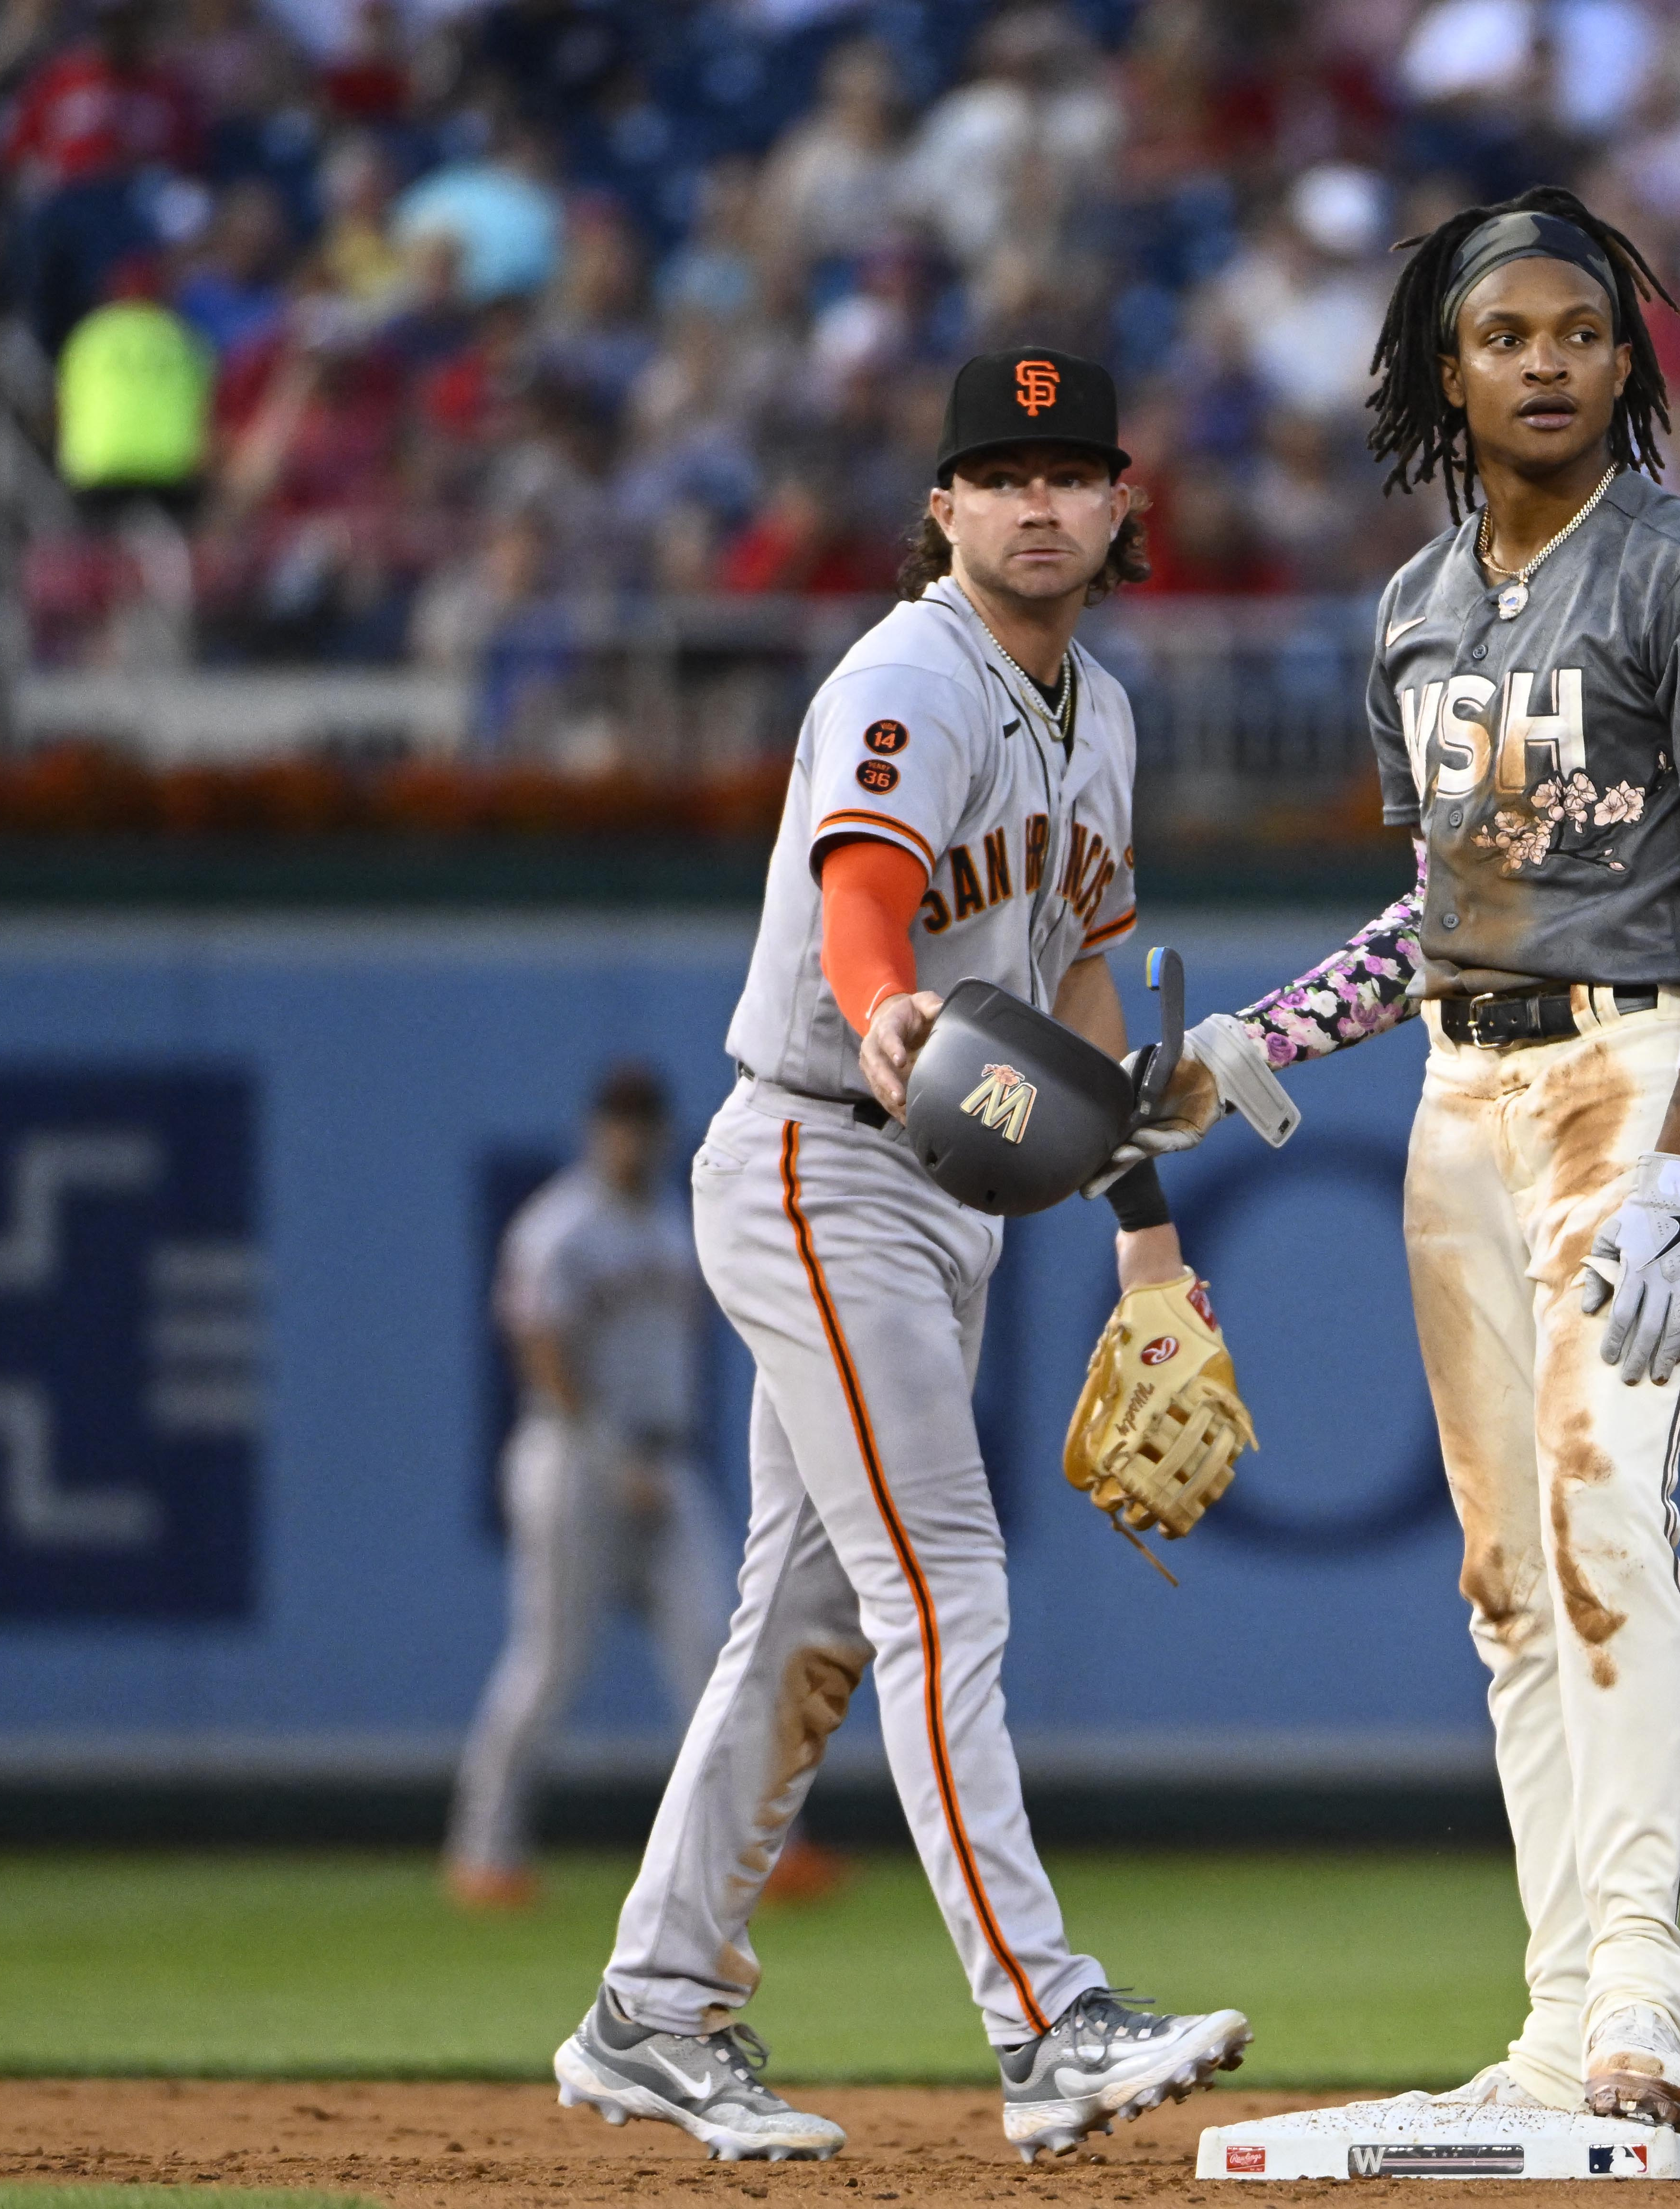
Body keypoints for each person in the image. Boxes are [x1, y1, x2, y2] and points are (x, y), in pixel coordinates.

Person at [1117, 186, 1680, 2133]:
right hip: (1460, 1093)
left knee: (1606, 1511)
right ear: (1449, 367)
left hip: (1633, 1071)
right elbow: (1449, 906)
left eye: (1579, 334)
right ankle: (1551, 2020)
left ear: (1626, 362)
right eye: (1505, 336)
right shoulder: (1419, 610)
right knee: (1507, 1578)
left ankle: (1642, 2017)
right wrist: (1265, 1033)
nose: (1545, 363)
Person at [547, 348, 1250, 2167]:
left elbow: (1086, 977)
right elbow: (864, 891)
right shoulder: (905, 672)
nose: (1034, 500)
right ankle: (1043, 2015)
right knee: (944, 1579)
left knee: (808, 1615)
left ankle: (654, 2003)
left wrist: (1148, 1248)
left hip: (949, 1190)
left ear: (1118, 508)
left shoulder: (1097, 705)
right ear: (937, 507)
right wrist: (878, 1010)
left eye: (1068, 469)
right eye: (995, 471)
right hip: (817, 1152)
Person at [444, 1062, 846, 1912]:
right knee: (550, 1661)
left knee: (721, 1649)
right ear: (597, 1130)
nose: (632, 1136)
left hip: (666, 1460)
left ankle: (769, 1853)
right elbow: (537, 1345)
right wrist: (603, 1450)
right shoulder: (560, 1226)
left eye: (645, 1121)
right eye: (619, 1121)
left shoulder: (672, 1221)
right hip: (573, 1457)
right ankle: (484, 1852)